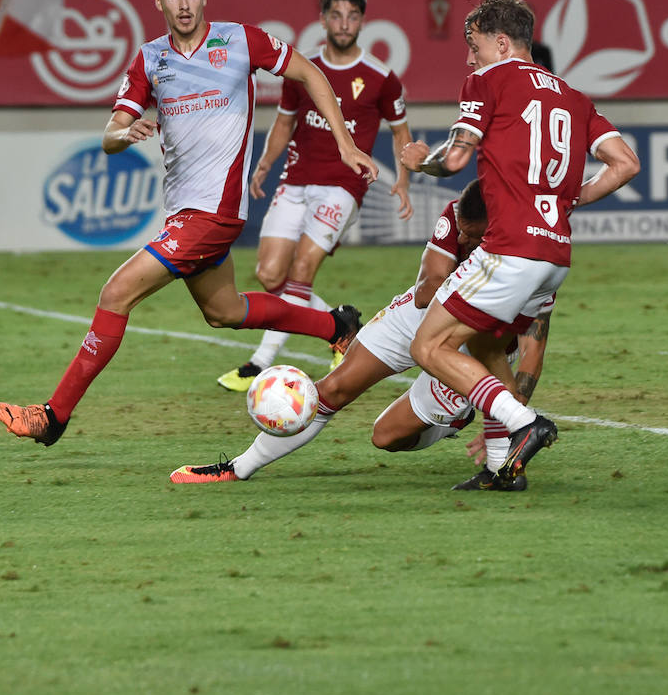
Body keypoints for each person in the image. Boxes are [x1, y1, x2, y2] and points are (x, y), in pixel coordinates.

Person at [0, 0, 377, 448]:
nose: (184, 4)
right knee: (225, 311)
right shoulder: (151, 59)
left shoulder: (240, 40)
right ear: (158, 0)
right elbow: (109, 136)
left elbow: (308, 73)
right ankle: (336, 326)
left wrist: (346, 142)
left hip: (214, 212)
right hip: (185, 210)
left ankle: (53, 416)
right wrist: (125, 131)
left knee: (115, 294)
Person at [399, 0, 641, 485]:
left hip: (510, 248)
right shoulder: (573, 96)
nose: (470, 57)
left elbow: (456, 159)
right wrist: (574, 198)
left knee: (428, 346)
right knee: (488, 345)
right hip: (556, 253)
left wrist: (419, 161)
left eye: (475, 44)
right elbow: (627, 163)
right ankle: (499, 469)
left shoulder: (488, 79)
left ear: (502, 42)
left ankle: (525, 424)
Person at [175, 181, 552, 491]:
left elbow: (531, 350)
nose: (466, 244)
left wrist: (503, 419)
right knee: (333, 388)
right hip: (422, 313)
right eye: (464, 237)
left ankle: (462, 415)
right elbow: (425, 290)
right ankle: (239, 467)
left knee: (386, 437)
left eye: (475, 239)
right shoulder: (458, 214)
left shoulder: (530, 262)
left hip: (474, 348)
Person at [218, 0, 413, 392]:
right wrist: (266, 162)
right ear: (323, 20)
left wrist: (404, 181)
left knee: (302, 273)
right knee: (271, 274)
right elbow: (285, 123)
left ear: (363, 21)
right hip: (295, 180)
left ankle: (259, 362)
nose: (344, 24)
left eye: (352, 16)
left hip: (343, 186)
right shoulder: (301, 69)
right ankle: (340, 325)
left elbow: (401, 133)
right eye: (336, 16)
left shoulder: (380, 77)